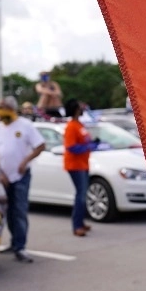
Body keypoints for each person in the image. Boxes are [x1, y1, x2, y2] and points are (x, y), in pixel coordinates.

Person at [0, 96, 46, 263]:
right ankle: (13, 243)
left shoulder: (25, 126)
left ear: (12, 109)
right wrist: (0, 173)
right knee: (7, 212)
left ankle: (20, 247)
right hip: (4, 177)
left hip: (21, 176)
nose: (0, 112)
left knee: (19, 210)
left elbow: (40, 146)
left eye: (3, 108)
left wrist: (25, 161)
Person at [63, 98, 97, 236]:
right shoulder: (71, 126)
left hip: (83, 164)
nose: (82, 108)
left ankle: (81, 222)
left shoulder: (79, 124)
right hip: (75, 165)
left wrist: (92, 144)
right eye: (80, 106)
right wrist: (87, 147)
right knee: (80, 196)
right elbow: (71, 147)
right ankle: (77, 226)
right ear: (76, 109)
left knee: (83, 194)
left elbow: (84, 141)